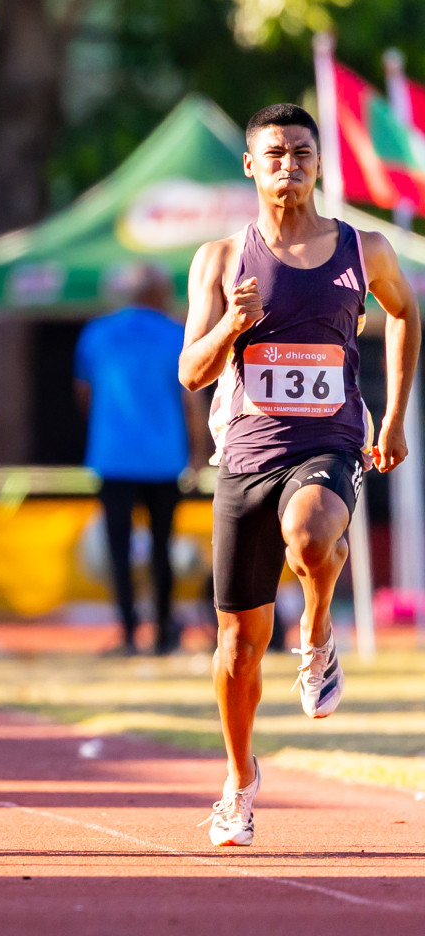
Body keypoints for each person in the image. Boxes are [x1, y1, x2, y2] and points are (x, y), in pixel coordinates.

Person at [180, 103, 418, 847]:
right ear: (251, 166)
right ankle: (239, 782)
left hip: (331, 441)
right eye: (276, 153)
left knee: (313, 535)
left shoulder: (363, 249)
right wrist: (233, 324)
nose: (290, 165)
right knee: (238, 647)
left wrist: (393, 417)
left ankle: (316, 633)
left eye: (303, 153)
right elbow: (191, 372)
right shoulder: (221, 259)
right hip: (246, 455)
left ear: (320, 164)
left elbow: (405, 313)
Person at [75, 264, 202, 656]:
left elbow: (84, 393)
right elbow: (191, 400)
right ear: (159, 293)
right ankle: (162, 630)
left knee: (119, 550)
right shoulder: (176, 334)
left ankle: (129, 632)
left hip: (113, 456)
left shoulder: (97, 333)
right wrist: (199, 451)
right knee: (163, 547)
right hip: (164, 459)